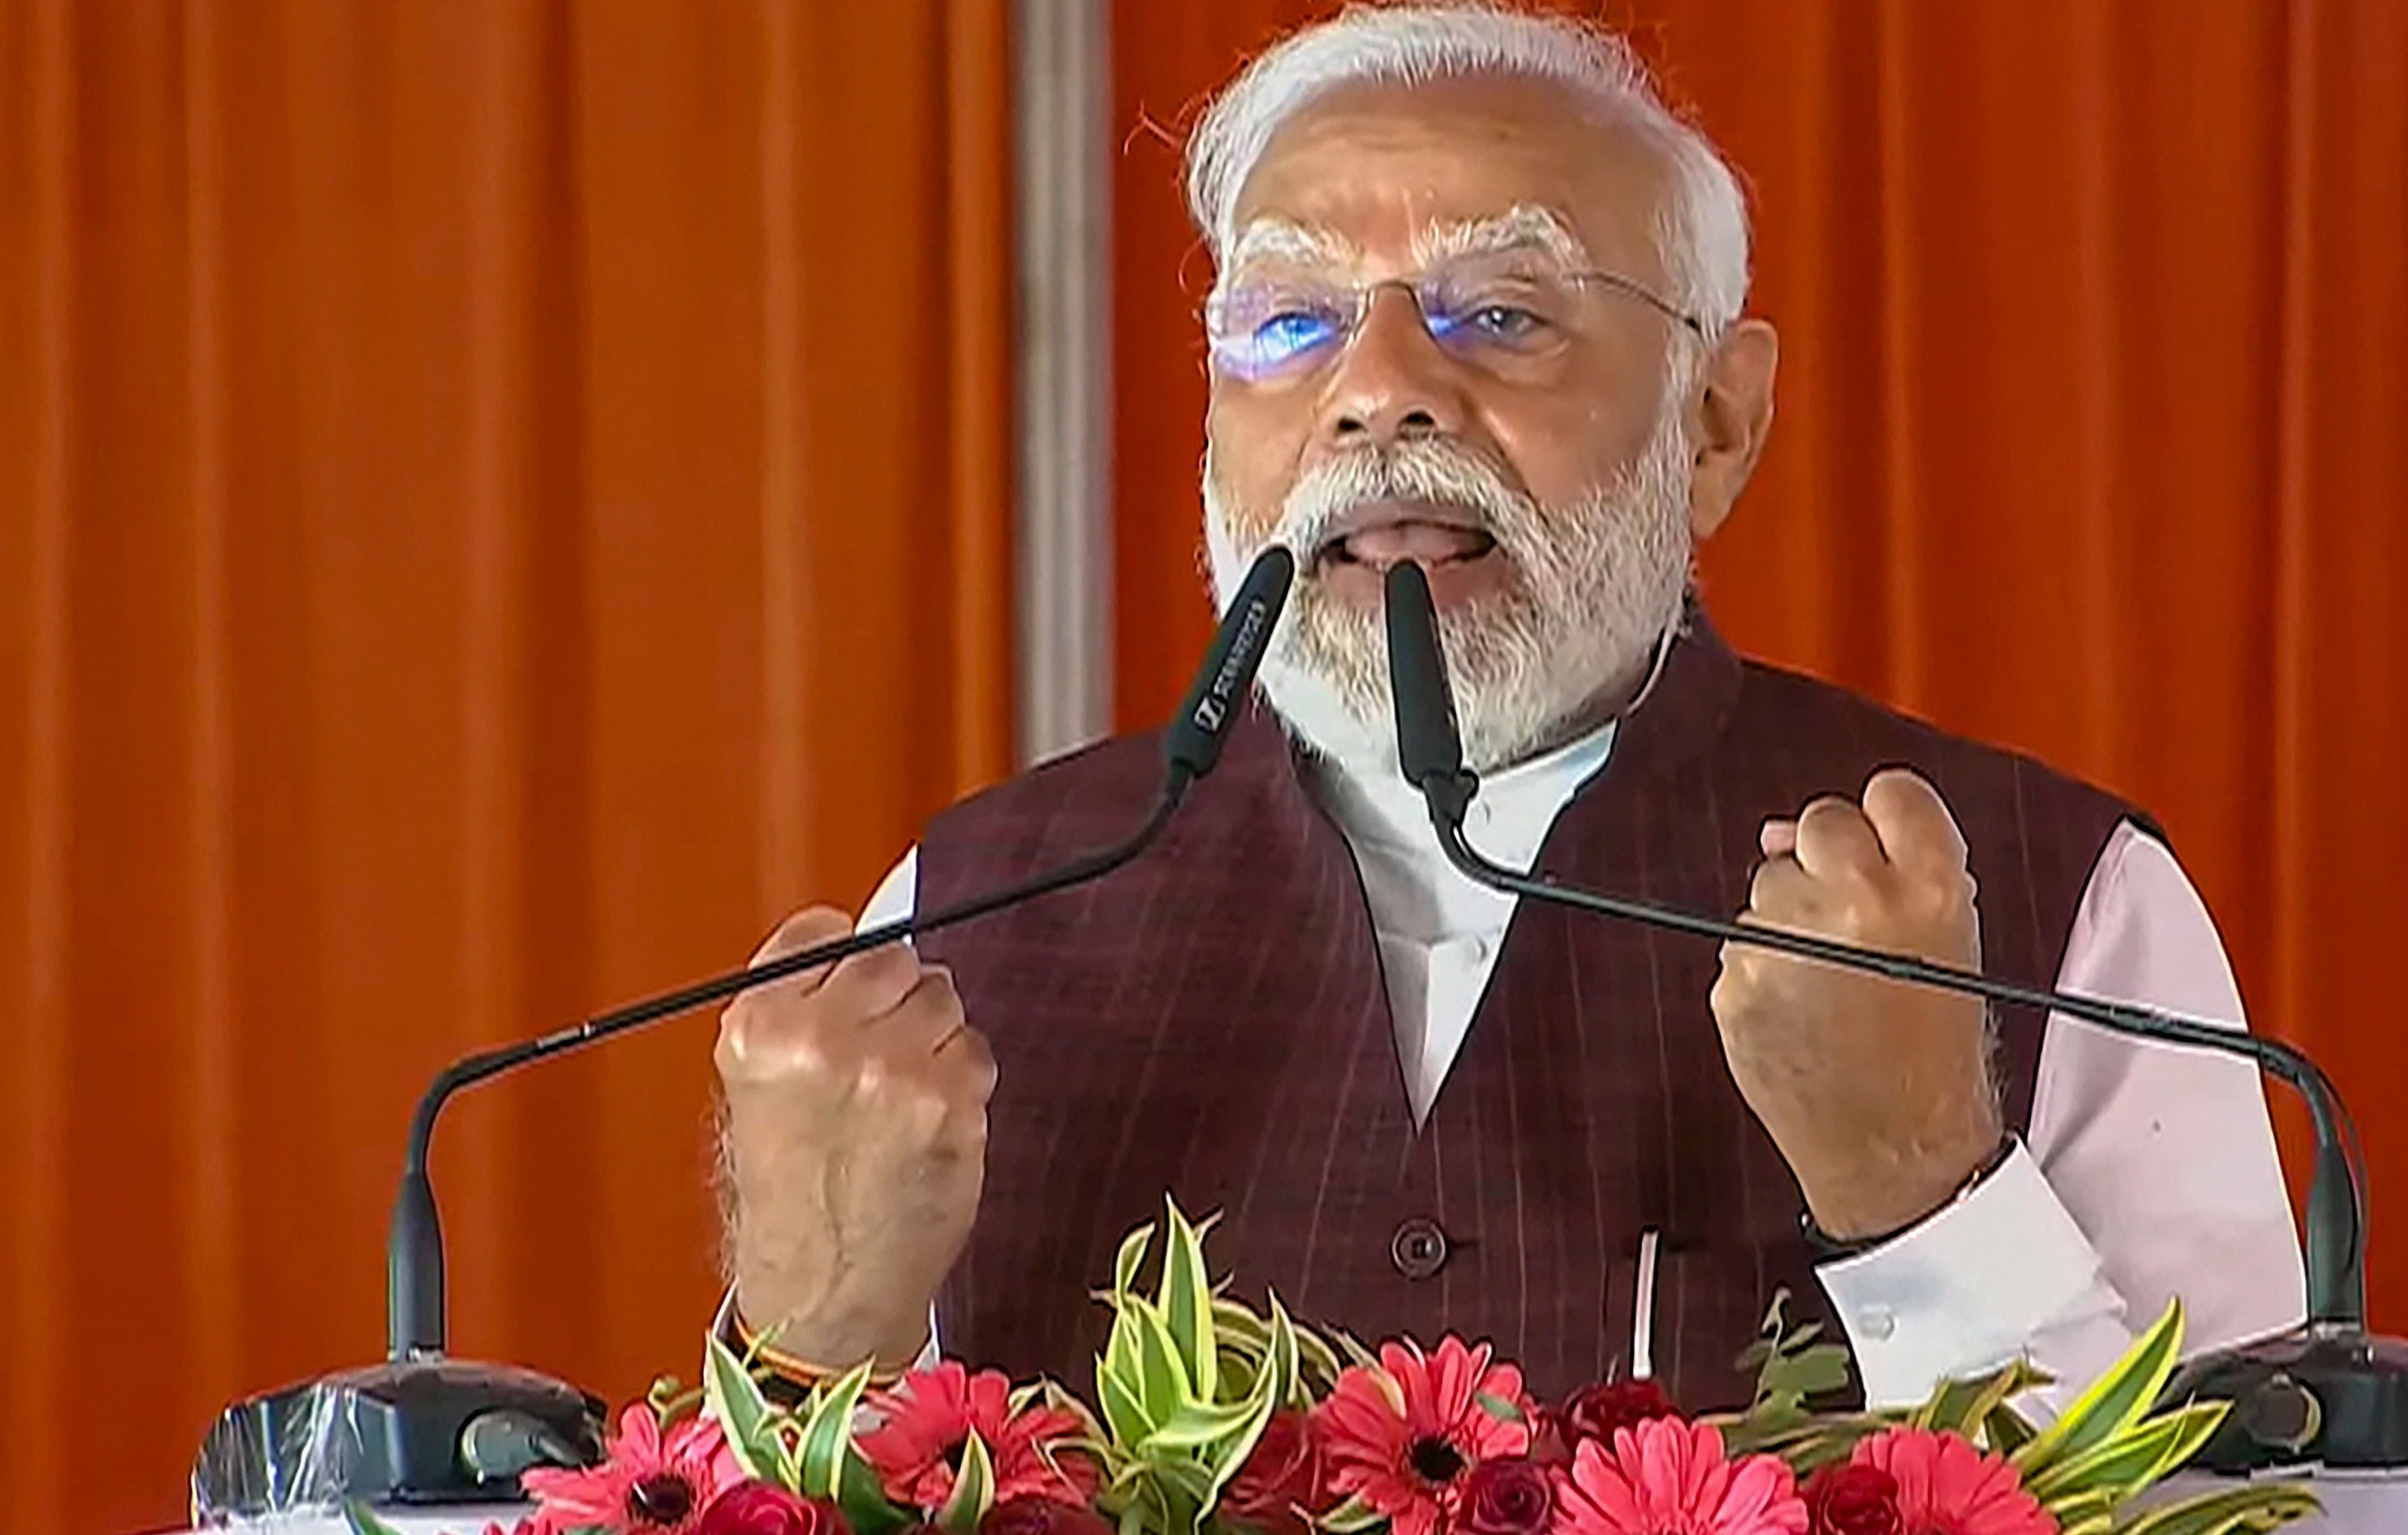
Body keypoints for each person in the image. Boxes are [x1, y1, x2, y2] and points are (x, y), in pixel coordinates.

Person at [711, 1, 2302, 1412]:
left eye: (1501, 312)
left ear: (1718, 419)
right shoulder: (966, 921)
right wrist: (810, 1329)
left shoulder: (2060, 900)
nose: (1377, 388)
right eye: (1287, 321)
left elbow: (2264, 1518)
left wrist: (1927, 1198)